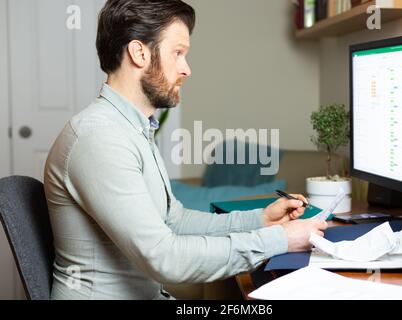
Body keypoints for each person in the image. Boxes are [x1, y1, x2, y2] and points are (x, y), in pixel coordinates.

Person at [44, 0, 328, 300]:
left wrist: (260, 220)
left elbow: (174, 221)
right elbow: (165, 258)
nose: (187, 69)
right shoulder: (99, 138)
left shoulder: (132, 129)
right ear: (140, 53)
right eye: (178, 53)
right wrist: (280, 240)